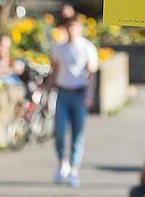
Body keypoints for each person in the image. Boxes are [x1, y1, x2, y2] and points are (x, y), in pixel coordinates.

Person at [49, 16, 99, 187]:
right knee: (60, 131)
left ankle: (74, 170)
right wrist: (47, 91)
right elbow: (54, 71)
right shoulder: (59, 48)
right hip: (62, 93)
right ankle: (62, 162)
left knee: (78, 134)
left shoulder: (87, 47)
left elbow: (91, 73)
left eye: (75, 28)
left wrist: (89, 94)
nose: (72, 31)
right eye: (69, 27)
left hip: (79, 93)